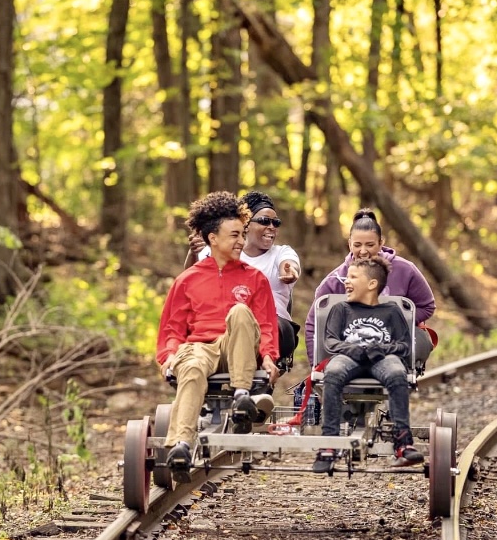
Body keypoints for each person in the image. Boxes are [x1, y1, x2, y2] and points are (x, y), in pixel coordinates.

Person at [158, 191, 281, 474]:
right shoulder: (187, 279)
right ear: (213, 239)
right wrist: (168, 357)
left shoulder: (255, 278)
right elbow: (172, 328)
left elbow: (265, 325)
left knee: (239, 312)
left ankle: (241, 395)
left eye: (242, 234)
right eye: (234, 236)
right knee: (190, 365)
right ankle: (180, 447)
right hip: (201, 348)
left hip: (237, 347)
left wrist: (268, 357)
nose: (241, 241)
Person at [312, 256, 423, 473]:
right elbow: (330, 340)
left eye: (353, 276)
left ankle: (403, 442)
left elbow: (404, 345)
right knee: (333, 373)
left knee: (396, 373)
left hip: (381, 358)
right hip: (349, 356)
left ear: (372, 284)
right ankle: (329, 444)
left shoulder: (391, 310)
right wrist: (352, 349)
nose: (346, 281)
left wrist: (381, 349)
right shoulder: (341, 309)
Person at [304, 208, 436, 369]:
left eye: (370, 245)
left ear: (381, 243)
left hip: (396, 340)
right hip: (351, 342)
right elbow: (313, 324)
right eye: (357, 245)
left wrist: (396, 322)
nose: (363, 251)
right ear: (349, 244)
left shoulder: (405, 270)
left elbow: (427, 306)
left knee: (413, 346)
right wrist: (315, 365)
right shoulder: (334, 280)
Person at [187, 191, 301, 367]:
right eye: (264, 221)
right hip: (226, 324)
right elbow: (188, 282)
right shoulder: (221, 251)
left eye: (275, 222)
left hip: (273, 325)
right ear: (246, 225)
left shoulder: (281, 252)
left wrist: (290, 270)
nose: (271, 226)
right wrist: (193, 253)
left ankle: (244, 375)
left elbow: (289, 264)